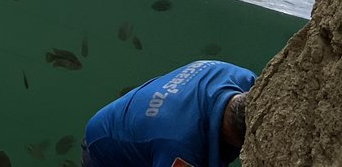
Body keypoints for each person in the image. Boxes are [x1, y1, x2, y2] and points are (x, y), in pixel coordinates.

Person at [82, 59, 254, 167]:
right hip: (106, 148)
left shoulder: (246, 79)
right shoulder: (179, 147)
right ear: (234, 140)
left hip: (146, 123)